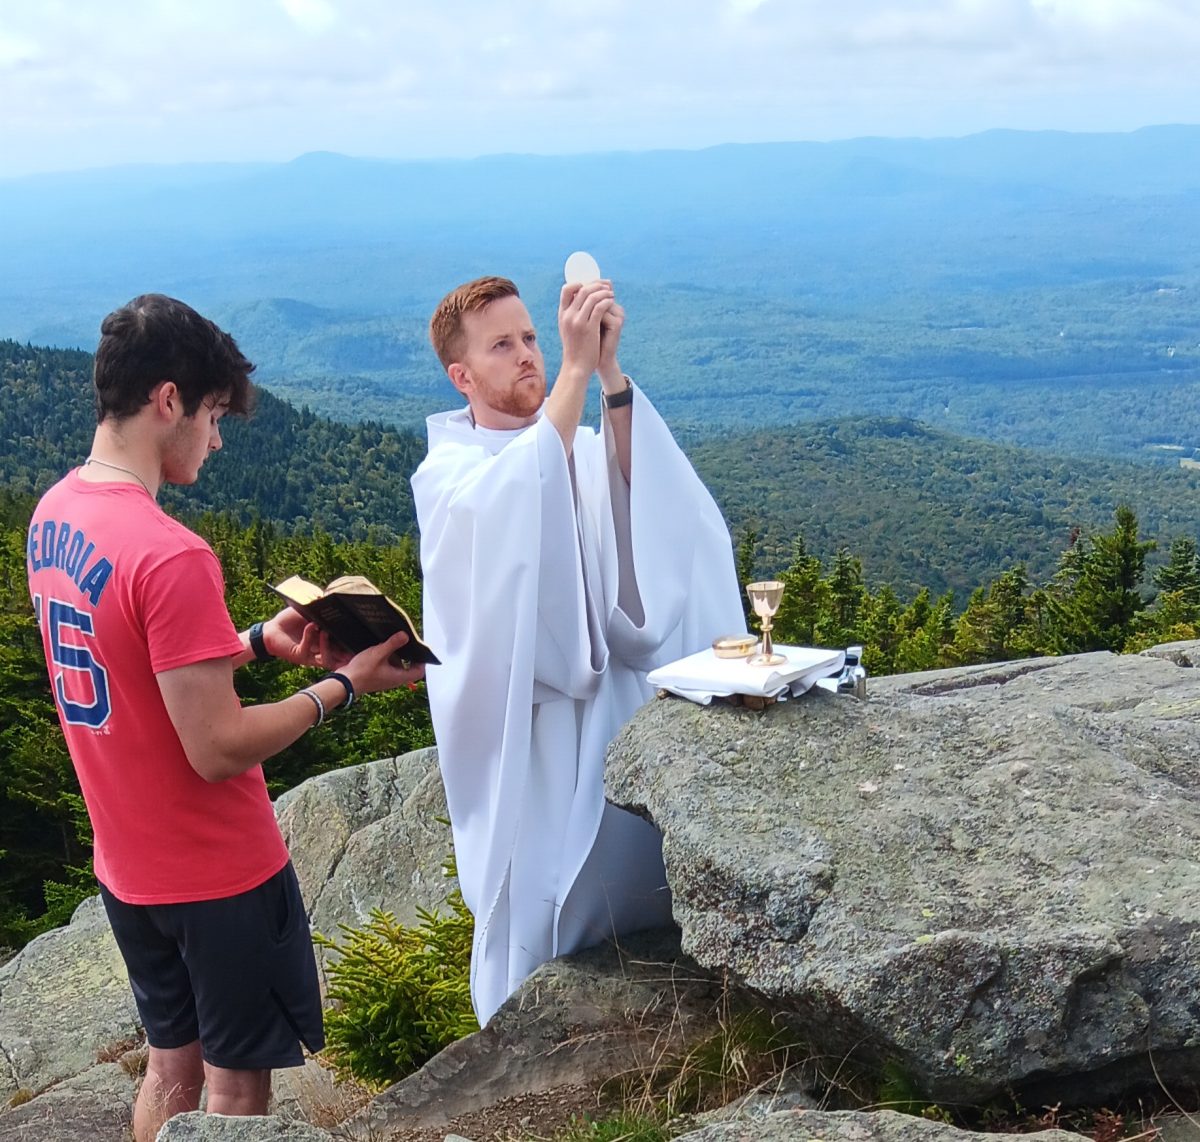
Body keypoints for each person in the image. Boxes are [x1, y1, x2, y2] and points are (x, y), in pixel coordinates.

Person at [25, 294, 425, 1142]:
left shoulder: (54, 516)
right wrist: (345, 684)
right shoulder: (171, 552)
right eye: (212, 415)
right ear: (168, 401)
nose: (215, 438)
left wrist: (249, 641)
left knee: (171, 1067)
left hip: (128, 866)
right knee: (237, 1093)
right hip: (219, 873)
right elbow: (217, 749)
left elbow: (127, 667)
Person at [412, 274, 744, 1024]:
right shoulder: (451, 480)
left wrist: (608, 375)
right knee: (543, 921)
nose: (528, 354)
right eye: (503, 345)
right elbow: (518, 498)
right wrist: (571, 370)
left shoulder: (579, 438)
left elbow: (656, 509)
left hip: (620, 714)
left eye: (532, 338)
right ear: (461, 376)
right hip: (534, 744)